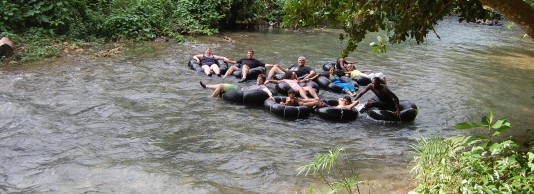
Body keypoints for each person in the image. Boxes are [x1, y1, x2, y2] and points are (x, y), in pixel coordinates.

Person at [200, 74, 273, 98]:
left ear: (263, 81)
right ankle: (206, 86)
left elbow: (268, 91)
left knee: (221, 85)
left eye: (260, 80)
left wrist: (271, 96)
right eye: (258, 79)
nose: (258, 80)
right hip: (240, 88)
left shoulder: (262, 86)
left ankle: (212, 97)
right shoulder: (258, 84)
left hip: (239, 91)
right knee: (220, 84)